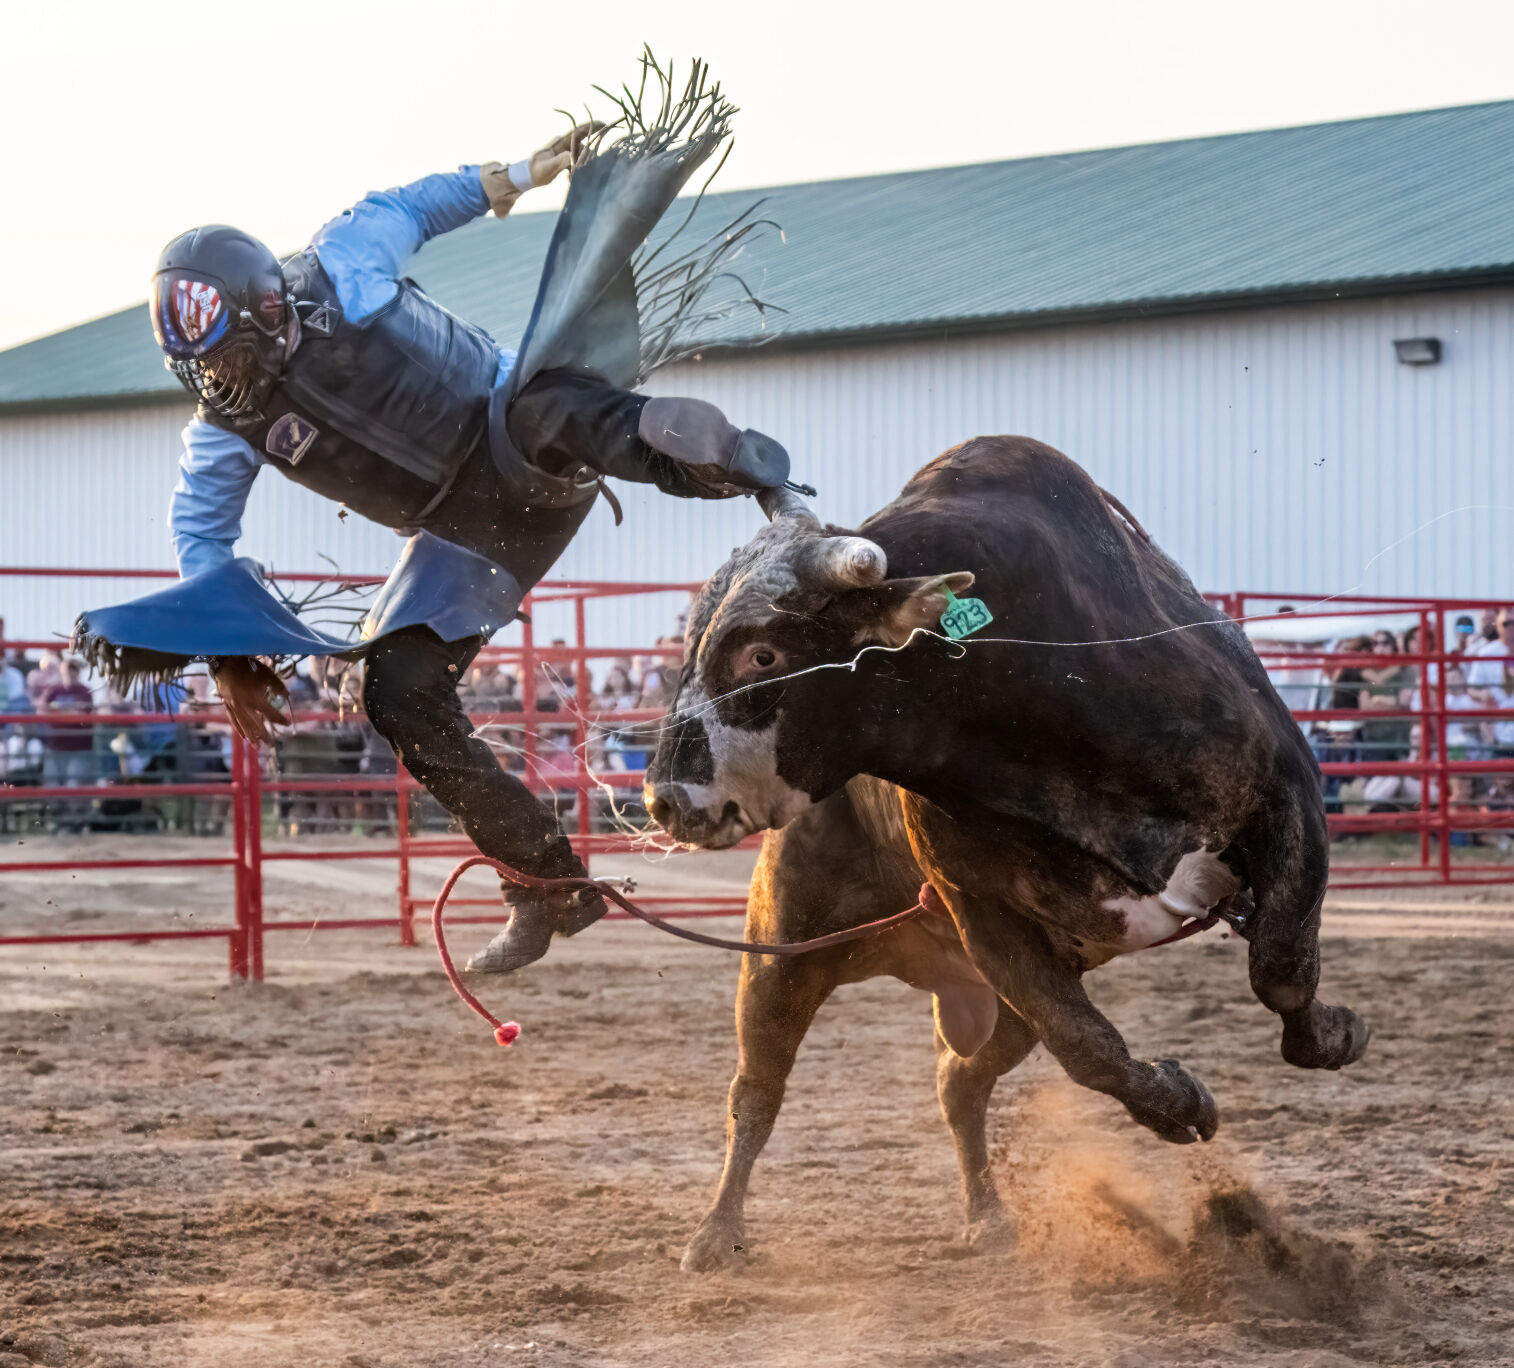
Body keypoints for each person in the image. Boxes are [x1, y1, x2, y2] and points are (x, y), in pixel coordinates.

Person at [122, 91, 795, 971]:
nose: (221, 382)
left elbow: (412, 204)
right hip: (465, 537)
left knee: (546, 404)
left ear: (267, 310)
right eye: (202, 371)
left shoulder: (339, 263)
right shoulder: (221, 429)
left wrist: (521, 173)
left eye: (229, 358)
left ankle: (736, 469)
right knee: (394, 695)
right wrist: (230, 654)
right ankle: (548, 885)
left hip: (515, 439)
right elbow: (200, 540)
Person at [38, 658, 96, 831]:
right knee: (53, 786)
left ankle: (76, 823)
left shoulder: (85, 691)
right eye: (67, 669)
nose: (70, 673)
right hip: (55, 746)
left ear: (78, 672)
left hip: (79, 747)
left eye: (74, 669)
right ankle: (60, 823)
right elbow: (41, 711)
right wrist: (66, 713)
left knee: (74, 786)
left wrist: (57, 711)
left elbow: (81, 714)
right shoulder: (53, 690)